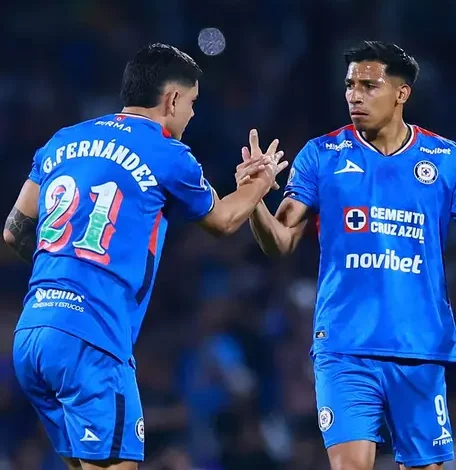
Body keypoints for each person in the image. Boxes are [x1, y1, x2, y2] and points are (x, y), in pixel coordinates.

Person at [239, 40, 456, 470]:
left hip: (419, 346)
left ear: (401, 93)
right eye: (350, 85)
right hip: (345, 345)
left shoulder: (446, 158)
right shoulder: (321, 155)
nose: (354, 95)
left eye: (369, 86)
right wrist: (254, 199)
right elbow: (279, 242)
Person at [4, 43, 286, 470]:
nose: (192, 114)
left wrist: (67, 277)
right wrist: (259, 183)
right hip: (92, 339)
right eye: (191, 103)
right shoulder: (166, 152)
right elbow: (224, 220)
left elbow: (13, 231)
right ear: (171, 99)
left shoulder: (64, 139)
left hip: (32, 334)